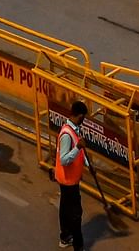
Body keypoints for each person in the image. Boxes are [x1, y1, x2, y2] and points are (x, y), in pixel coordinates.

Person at [56, 101, 89, 251]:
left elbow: (80, 152)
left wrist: (88, 164)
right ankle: (78, 246)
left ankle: (65, 237)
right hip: (69, 181)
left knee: (65, 208)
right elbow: (64, 159)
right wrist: (78, 147)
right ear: (80, 116)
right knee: (76, 213)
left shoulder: (74, 129)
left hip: (68, 179)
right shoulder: (67, 135)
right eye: (84, 117)